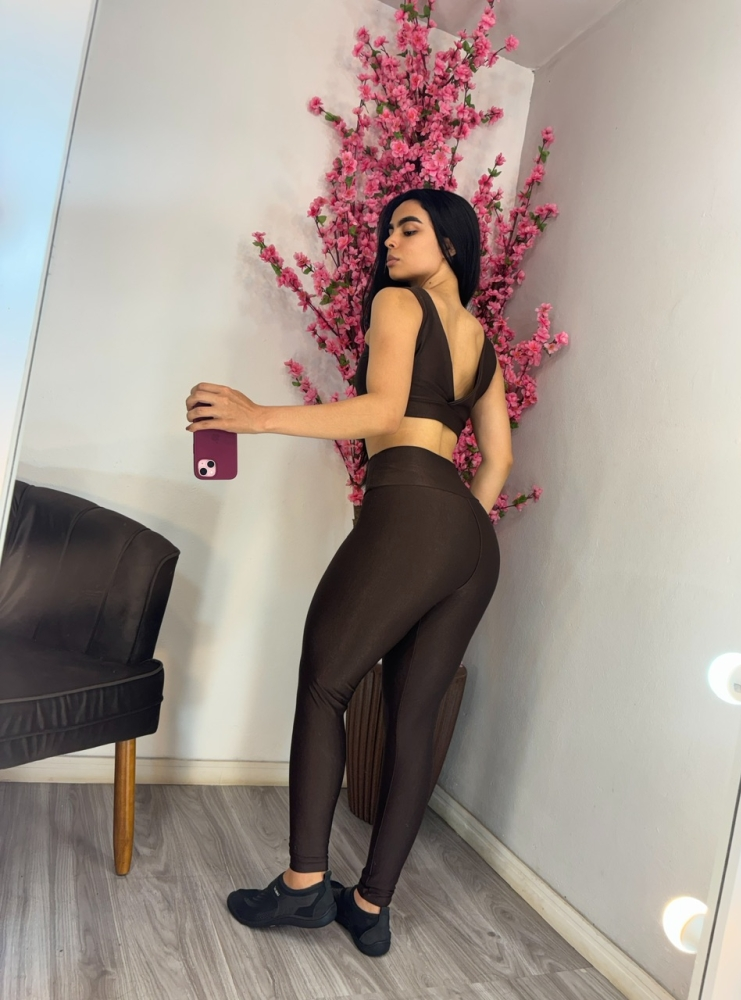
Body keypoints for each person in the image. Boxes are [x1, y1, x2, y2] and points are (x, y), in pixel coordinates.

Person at [184, 188, 514, 956]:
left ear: (451, 244)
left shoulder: (399, 304)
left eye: (408, 228)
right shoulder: (483, 341)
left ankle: (304, 887)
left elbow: (382, 411)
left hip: (410, 507)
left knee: (325, 684)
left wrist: (256, 417)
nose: (389, 243)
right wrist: (454, 528)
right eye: (387, 230)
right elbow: (498, 460)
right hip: (469, 535)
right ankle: (371, 905)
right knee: (412, 721)